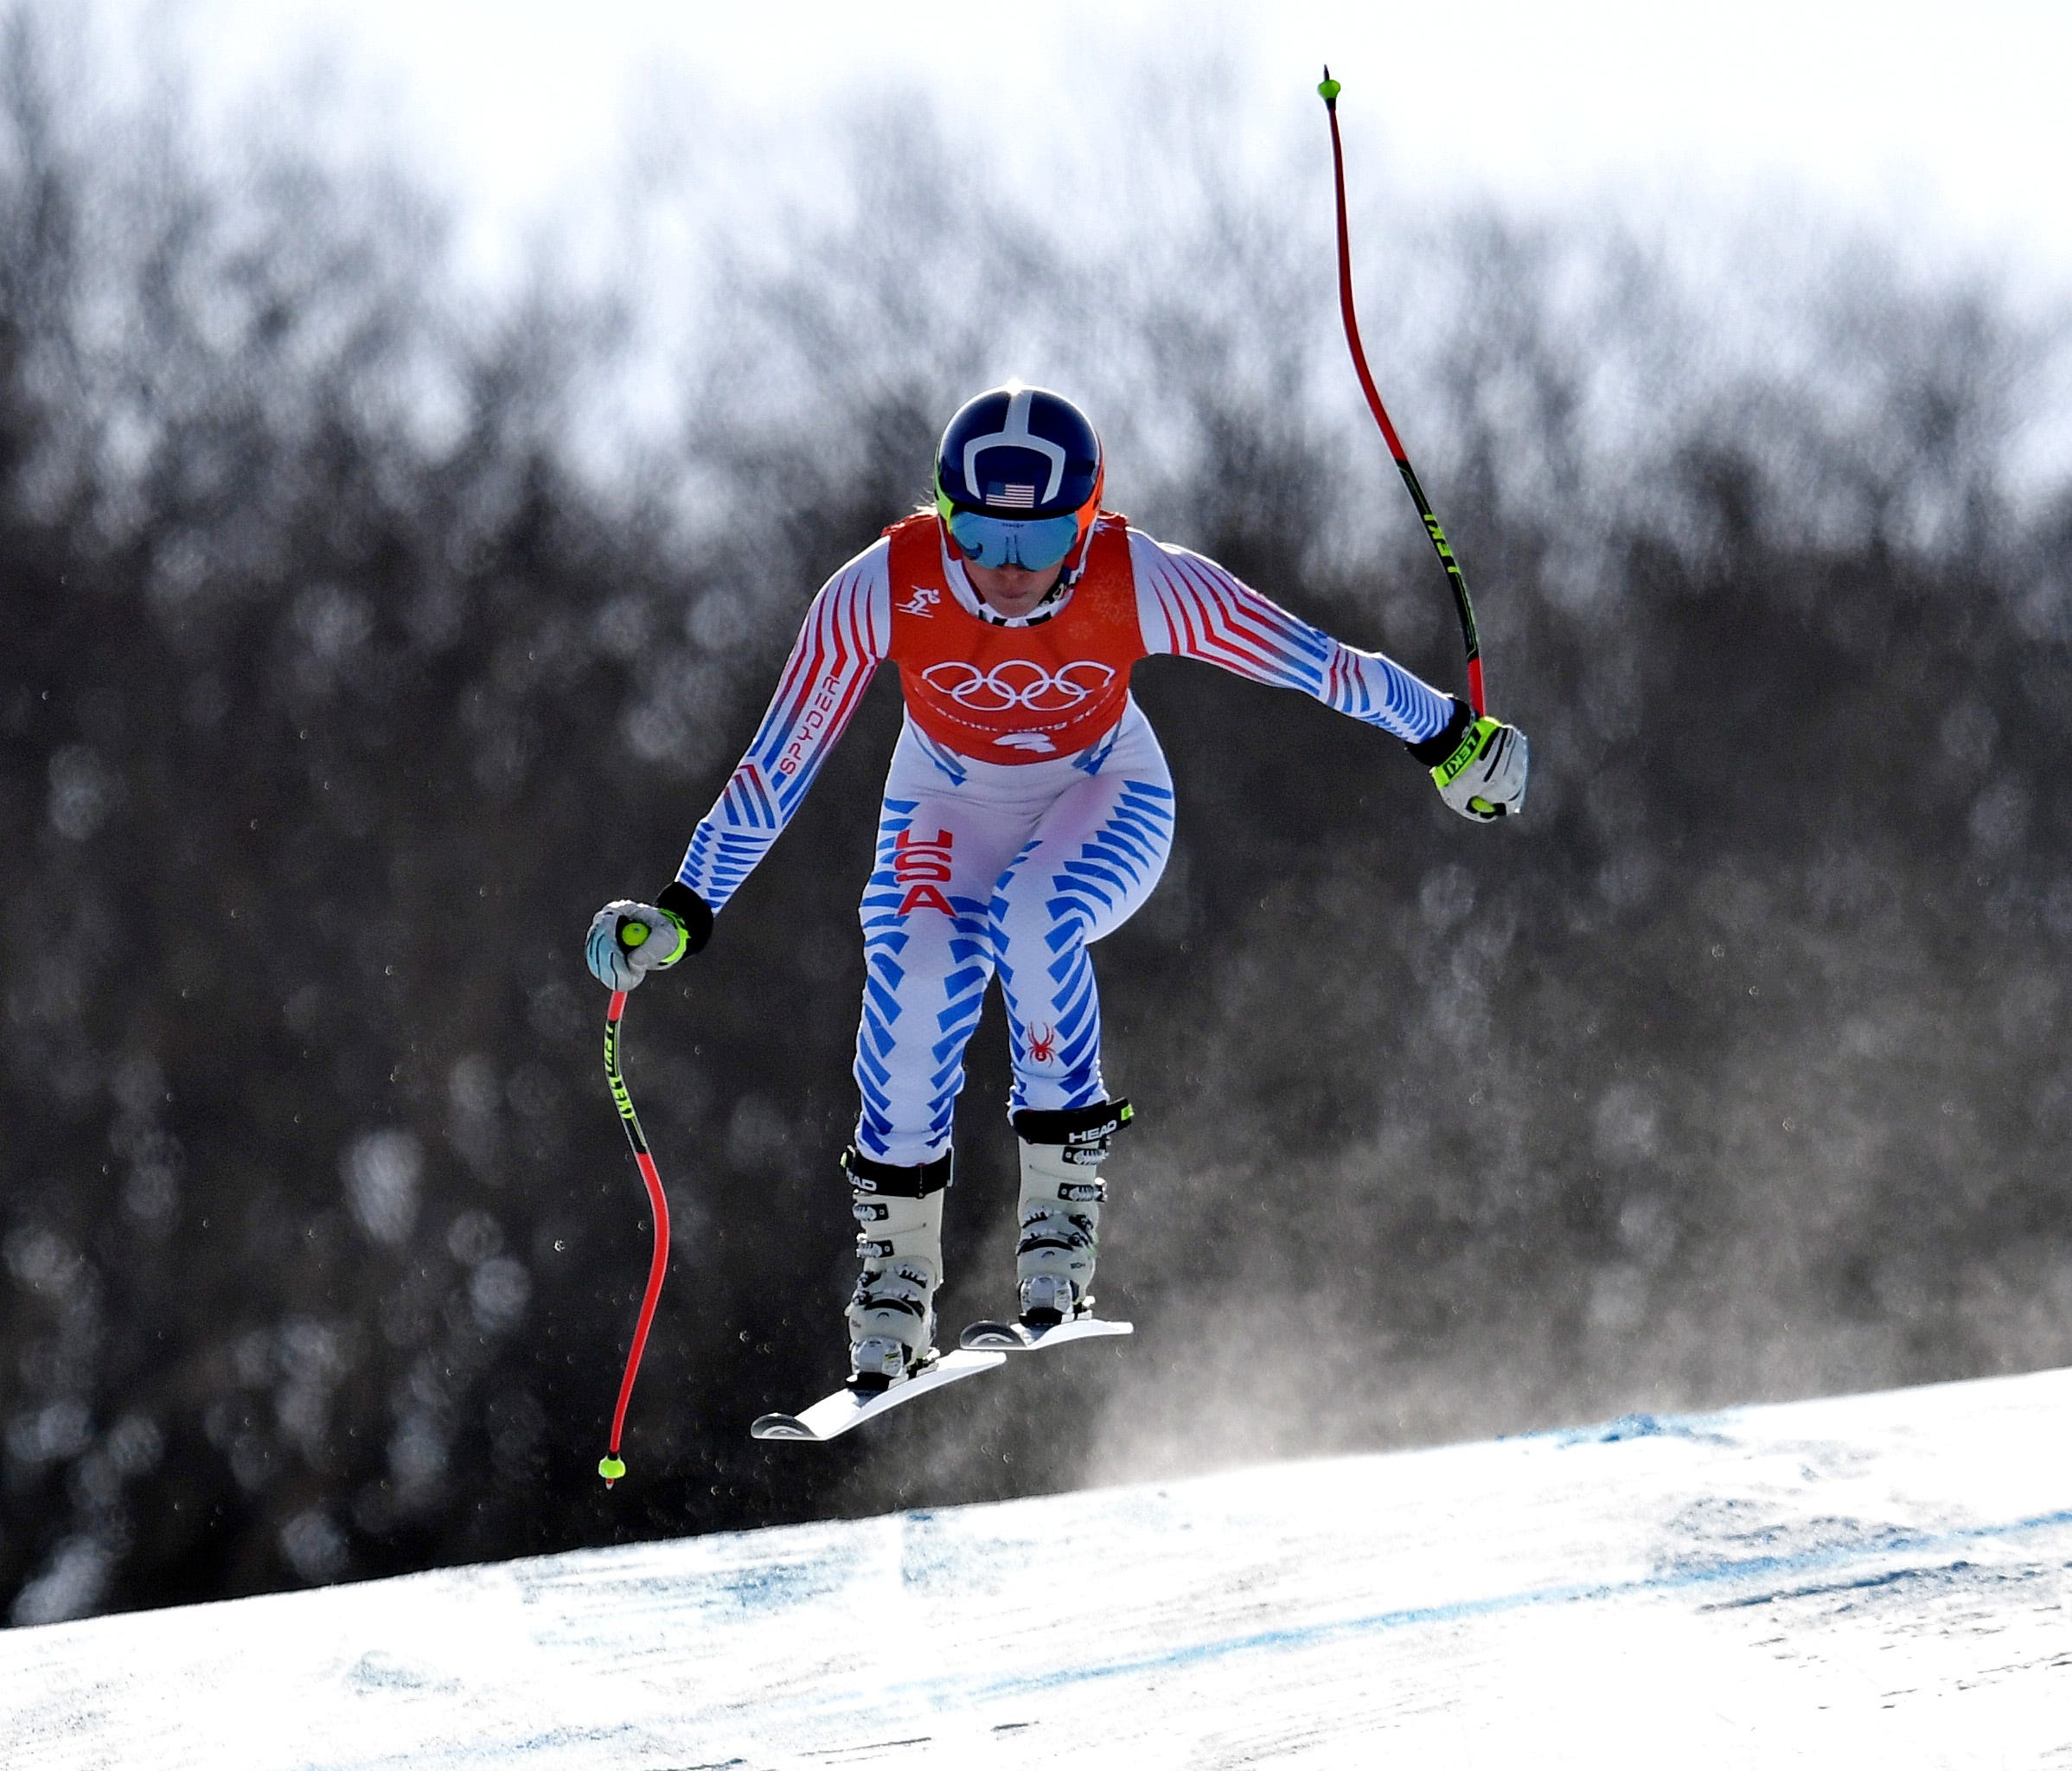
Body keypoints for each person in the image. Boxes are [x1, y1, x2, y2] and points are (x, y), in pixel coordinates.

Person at [586, 384, 1528, 1391]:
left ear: (1085, 525)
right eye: (979, 534)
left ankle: (1060, 1219)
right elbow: (779, 760)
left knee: (1035, 916)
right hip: (942, 807)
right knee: (913, 986)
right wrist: (685, 906)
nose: (1002, 569)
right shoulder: (879, 587)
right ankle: (895, 1279)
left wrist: (1444, 733)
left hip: (1103, 792)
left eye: (1036, 544)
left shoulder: (1140, 580)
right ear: (941, 516)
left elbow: (1314, 661)